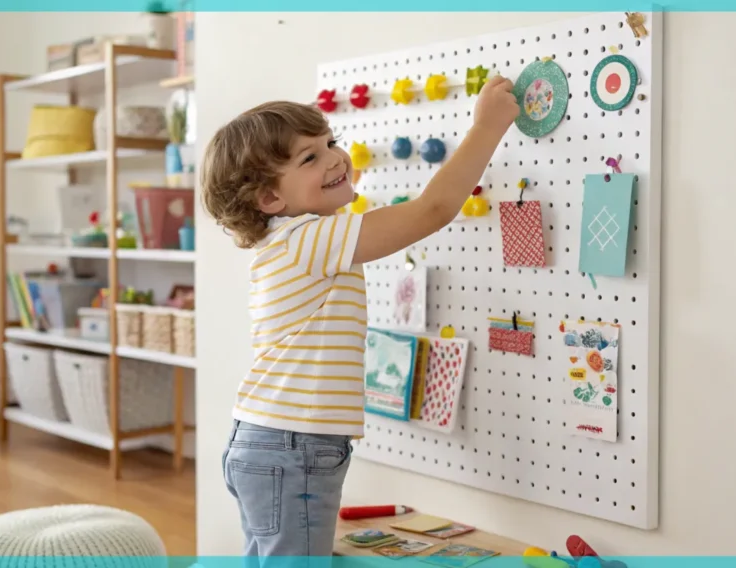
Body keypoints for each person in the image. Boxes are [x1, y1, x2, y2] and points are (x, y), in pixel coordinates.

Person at [200, 75, 520, 559]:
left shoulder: (290, 242)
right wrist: (487, 127)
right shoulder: (306, 239)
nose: (334, 158)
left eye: (330, 143)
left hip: (269, 441)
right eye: (310, 158)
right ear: (269, 200)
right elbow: (432, 210)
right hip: (293, 446)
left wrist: (327, 179)